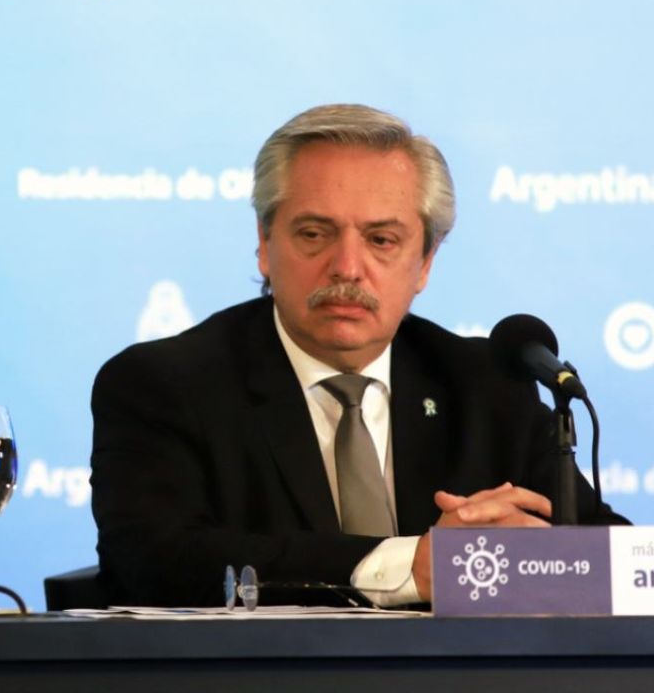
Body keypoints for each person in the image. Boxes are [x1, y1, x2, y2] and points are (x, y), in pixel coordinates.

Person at [90, 103, 626, 608]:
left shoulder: (487, 384)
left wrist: (550, 556)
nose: (347, 267)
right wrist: (409, 565)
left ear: (425, 263)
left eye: (382, 240)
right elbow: (152, 559)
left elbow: (617, 558)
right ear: (264, 243)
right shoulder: (163, 385)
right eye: (314, 233)